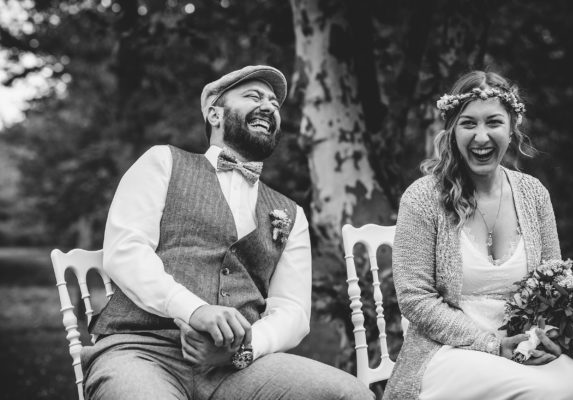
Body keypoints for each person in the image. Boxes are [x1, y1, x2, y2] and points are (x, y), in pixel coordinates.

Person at [81, 65, 374, 400]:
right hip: (141, 351)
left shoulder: (292, 213)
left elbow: (292, 310)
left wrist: (244, 348)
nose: (269, 107)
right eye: (253, 96)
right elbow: (126, 251)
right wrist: (195, 310)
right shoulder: (162, 162)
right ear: (214, 114)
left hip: (236, 367)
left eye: (275, 104)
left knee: (350, 394)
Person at [382, 71, 573, 400]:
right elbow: (416, 300)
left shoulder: (534, 194)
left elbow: (554, 285)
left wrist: (547, 333)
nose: (481, 136)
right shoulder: (422, 198)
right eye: (468, 123)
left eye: (493, 122)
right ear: (452, 130)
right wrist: (494, 345)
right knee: (541, 394)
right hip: (449, 351)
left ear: (512, 129)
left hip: (523, 349)